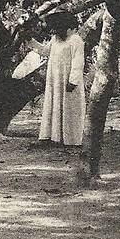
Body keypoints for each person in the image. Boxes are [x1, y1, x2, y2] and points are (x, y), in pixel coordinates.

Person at [33, 11, 86, 146]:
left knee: (70, 108)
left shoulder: (75, 40)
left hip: (68, 80)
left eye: (57, 28)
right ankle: (54, 137)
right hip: (55, 80)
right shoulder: (55, 39)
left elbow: (78, 62)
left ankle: (71, 140)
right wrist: (30, 41)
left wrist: (73, 81)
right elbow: (45, 51)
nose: (54, 32)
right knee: (54, 105)